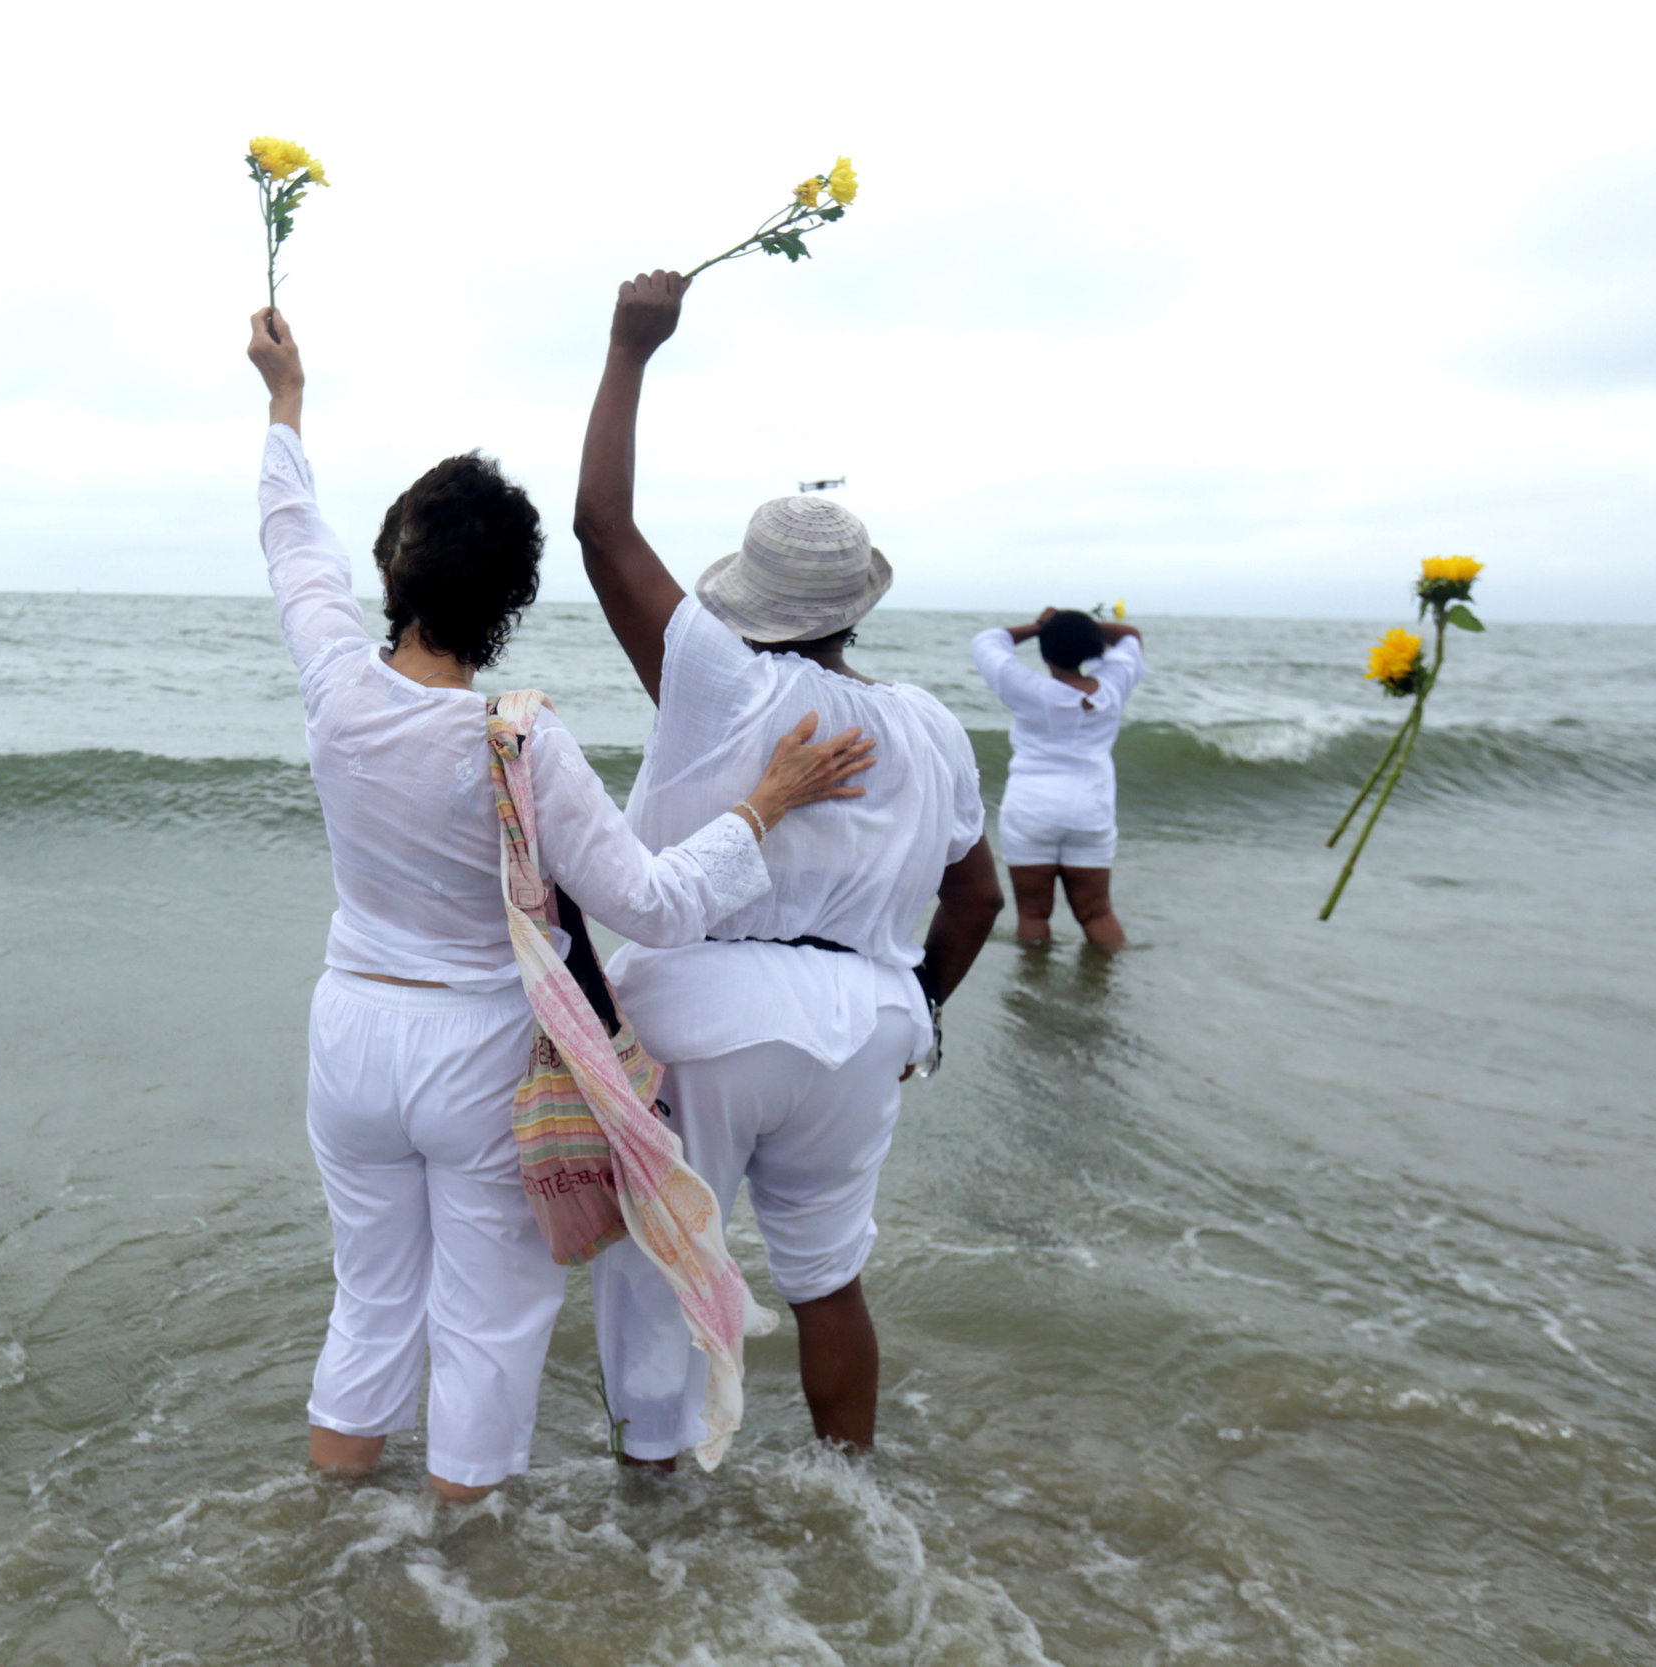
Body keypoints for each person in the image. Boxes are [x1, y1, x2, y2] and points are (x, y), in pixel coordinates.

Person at [246, 307, 879, 1502]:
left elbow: (291, 541)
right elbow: (648, 901)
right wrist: (764, 804)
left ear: (393, 565)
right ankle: (456, 1583)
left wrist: (285, 399)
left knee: (372, 1291)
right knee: (486, 1319)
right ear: (513, 600)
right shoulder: (518, 741)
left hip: (349, 1028)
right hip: (477, 1048)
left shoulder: (335, 683)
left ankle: (336, 1535)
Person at [571, 271, 1006, 1464]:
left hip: (711, 1019)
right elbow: (976, 900)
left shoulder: (723, 679)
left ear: (749, 598)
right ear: (851, 608)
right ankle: (847, 1493)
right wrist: (917, 1010)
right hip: (865, 1022)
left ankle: (655, 1497)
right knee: (828, 1276)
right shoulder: (927, 721)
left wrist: (631, 347)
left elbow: (601, 528)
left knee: (661, 1265)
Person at [970, 608, 1146, 947]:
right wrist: (1081, 625)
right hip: (1091, 810)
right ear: (1093, 648)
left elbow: (988, 641)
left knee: (1033, 913)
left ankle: (1034, 990)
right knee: (1097, 912)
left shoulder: (1029, 689)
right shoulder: (1113, 685)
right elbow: (1130, 636)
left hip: (1032, 809)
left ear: (1045, 651)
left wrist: (1041, 626)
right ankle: (1106, 989)